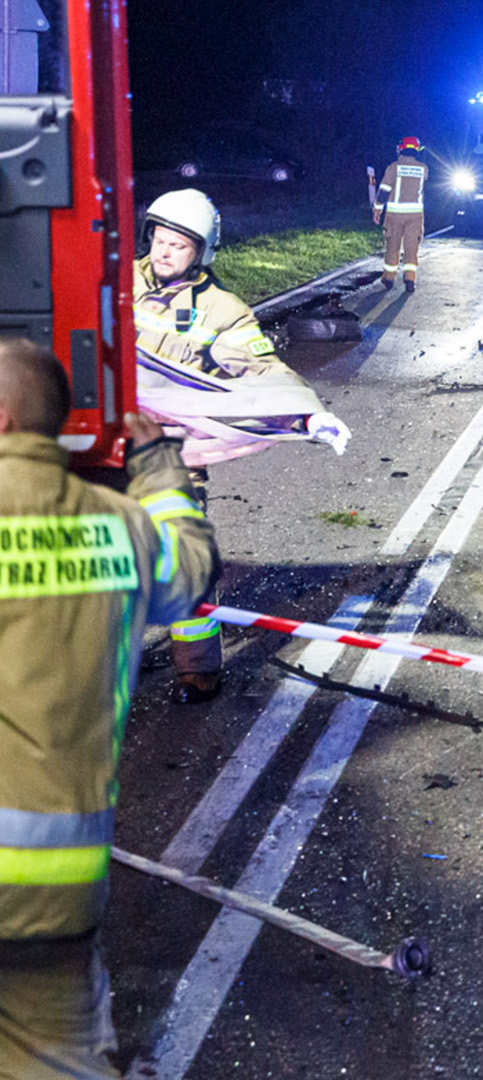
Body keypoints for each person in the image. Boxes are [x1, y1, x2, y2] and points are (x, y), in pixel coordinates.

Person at [0, 339, 219, 1080]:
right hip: (62, 886)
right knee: (54, 1060)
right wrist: (157, 464)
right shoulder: (120, 527)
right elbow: (191, 573)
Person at [133, 188, 349, 704]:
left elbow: (264, 369)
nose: (163, 252)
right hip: (107, 448)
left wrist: (308, 412)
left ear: (202, 252)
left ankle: (198, 672)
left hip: (172, 459)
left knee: (184, 563)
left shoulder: (221, 311)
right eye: (158, 240)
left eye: (178, 245)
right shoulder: (114, 283)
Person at [374, 136, 429, 292]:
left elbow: (384, 191)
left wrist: (377, 209)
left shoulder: (394, 167)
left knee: (393, 245)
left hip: (394, 215)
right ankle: (410, 279)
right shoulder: (423, 168)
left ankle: (389, 278)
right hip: (416, 216)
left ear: (401, 149)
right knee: (412, 248)